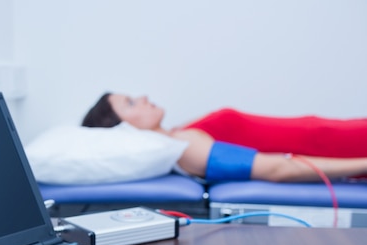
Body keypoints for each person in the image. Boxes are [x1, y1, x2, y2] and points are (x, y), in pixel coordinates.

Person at [82, 92, 367, 182]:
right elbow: (278, 169)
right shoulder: (183, 147)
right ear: (123, 128)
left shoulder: (177, 134)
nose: (142, 97)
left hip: (337, 134)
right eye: (131, 103)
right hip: (348, 145)